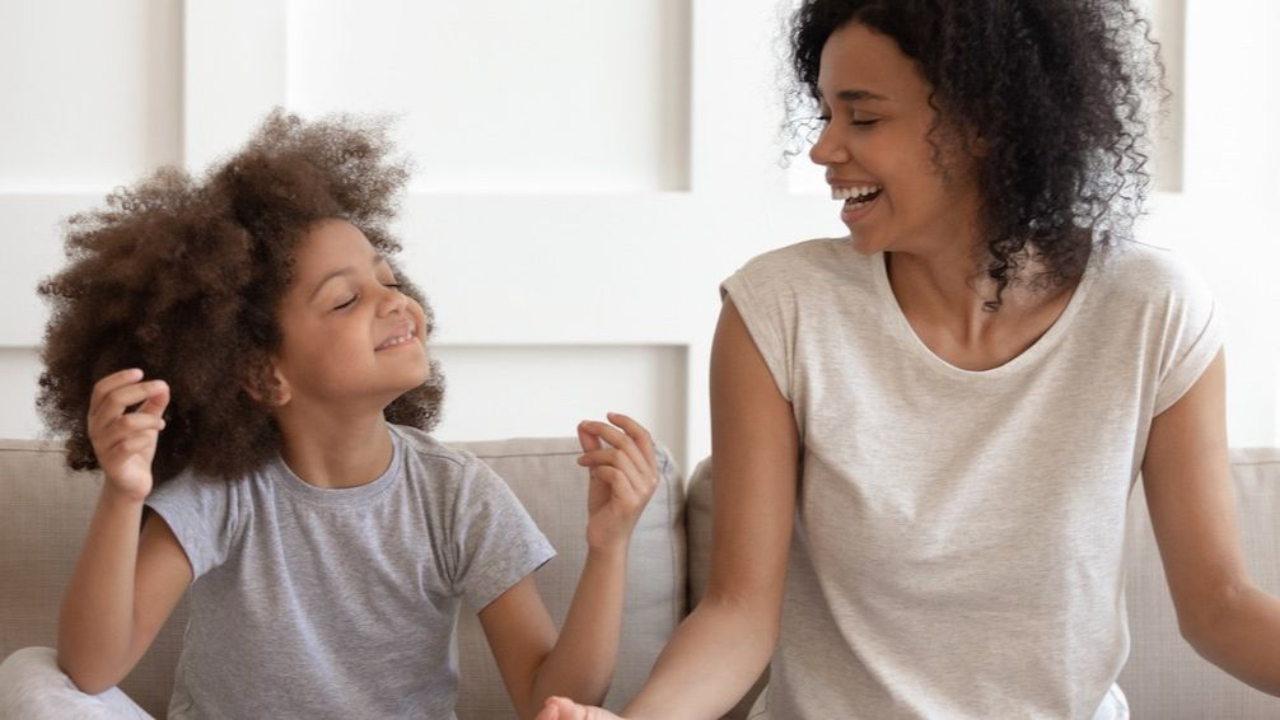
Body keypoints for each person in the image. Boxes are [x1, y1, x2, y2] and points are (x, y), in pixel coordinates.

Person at [538, 1, 1280, 718]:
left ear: (985, 123)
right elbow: (737, 614)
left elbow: (1220, 608)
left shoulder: (1152, 309)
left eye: (863, 117)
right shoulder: (779, 308)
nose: (824, 149)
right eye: (826, 114)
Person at [0, 110, 660, 720]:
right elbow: (91, 669)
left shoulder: (455, 494)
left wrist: (610, 547)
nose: (394, 301)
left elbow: (554, 700)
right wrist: (123, 493)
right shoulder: (223, 495)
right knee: (32, 676)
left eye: (390, 279)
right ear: (265, 373)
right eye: (345, 300)